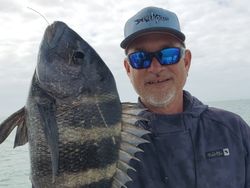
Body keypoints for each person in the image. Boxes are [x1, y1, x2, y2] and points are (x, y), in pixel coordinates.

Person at [120, 6, 250, 188]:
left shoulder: (234, 130)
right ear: (128, 69)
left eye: (168, 55)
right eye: (140, 58)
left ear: (186, 62)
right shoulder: (111, 146)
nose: (155, 68)